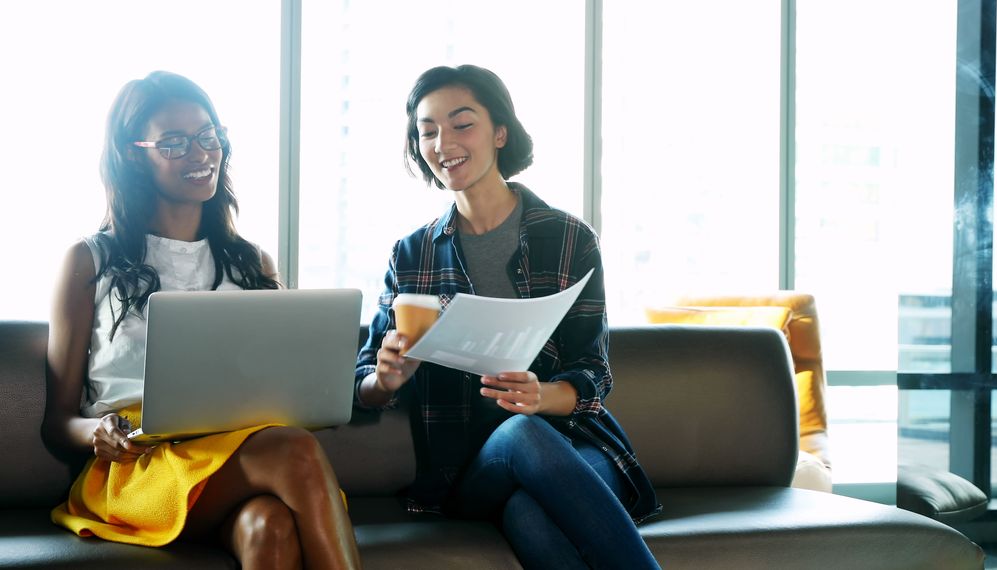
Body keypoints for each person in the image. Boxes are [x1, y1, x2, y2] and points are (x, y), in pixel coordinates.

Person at [44, 71, 362, 570]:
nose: (200, 154)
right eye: (174, 143)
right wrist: (98, 431)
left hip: (238, 459)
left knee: (270, 528)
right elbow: (57, 422)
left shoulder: (251, 263)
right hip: (140, 467)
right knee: (295, 452)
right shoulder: (89, 262)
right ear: (133, 154)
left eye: (207, 136)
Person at [355, 64, 661, 569]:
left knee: (529, 514)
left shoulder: (568, 239)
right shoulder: (412, 255)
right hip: (471, 468)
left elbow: (592, 370)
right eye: (427, 131)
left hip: (577, 448)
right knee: (520, 435)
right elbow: (363, 382)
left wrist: (540, 396)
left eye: (461, 123)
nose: (442, 142)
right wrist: (385, 380)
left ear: (500, 132)